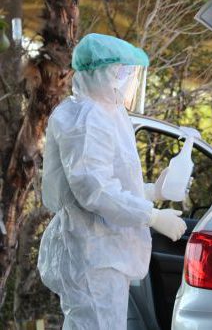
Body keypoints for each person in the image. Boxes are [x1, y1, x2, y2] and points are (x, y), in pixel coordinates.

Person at [37, 33, 187, 329]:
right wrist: (152, 216)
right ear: (107, 73)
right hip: (92, 253)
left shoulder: (106, 113)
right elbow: (96, 192)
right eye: (125, 72)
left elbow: (110, 182)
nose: (130, 80)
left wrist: (151, 191)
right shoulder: (87, 119)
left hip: (101, 251)